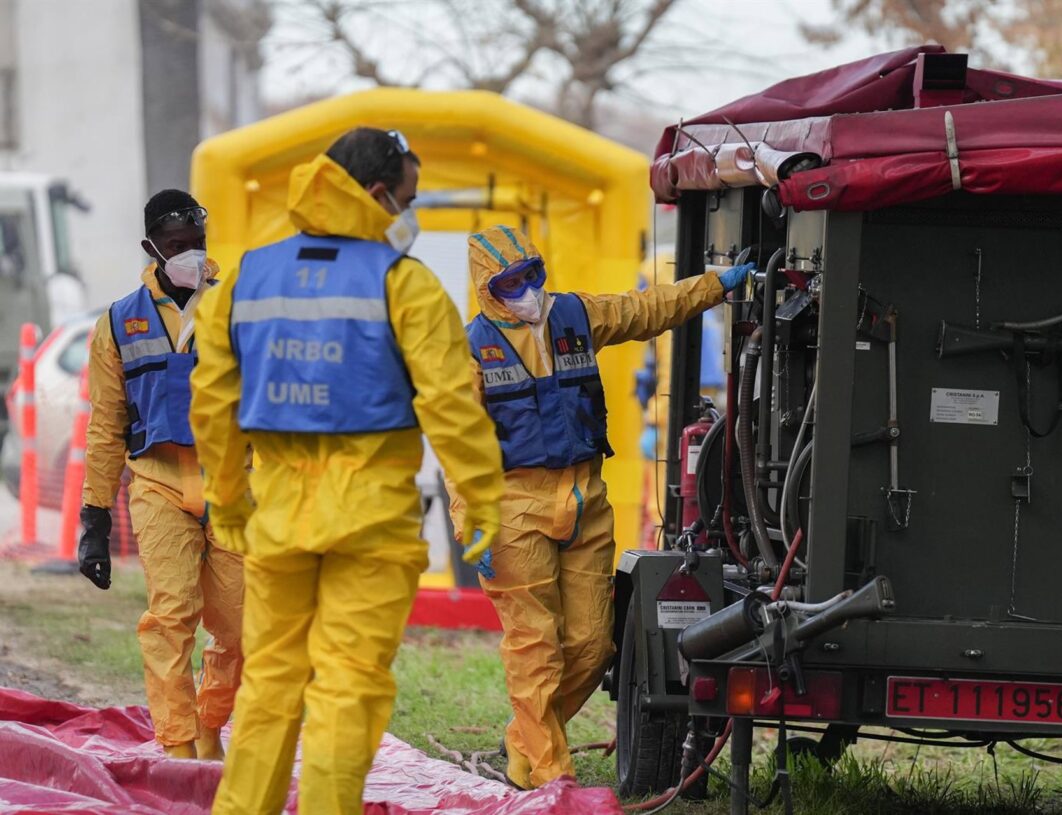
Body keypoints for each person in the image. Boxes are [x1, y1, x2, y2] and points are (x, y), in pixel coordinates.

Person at [192, 127, 505, 815]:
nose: (410, 214)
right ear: (375, 194)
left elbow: (212, 403)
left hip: (274, 516)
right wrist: (482, 501)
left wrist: (230, 501)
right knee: (347, 687)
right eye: (409, 199)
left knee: (269, 683)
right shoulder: (406, 285)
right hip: (372, 521)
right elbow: (452, 405)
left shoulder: (245, 276)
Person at [450, 224, 753, 789]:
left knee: (593, 644)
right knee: (534, 648)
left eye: (531, 275)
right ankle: (551, 781)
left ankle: (525, 742)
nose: (525, 290)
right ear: (487, 289)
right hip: (513, 507)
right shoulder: (469, 350)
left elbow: (648, 309)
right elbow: (457, 443)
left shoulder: (575, 315)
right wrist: (474, 522)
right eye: (509, 282)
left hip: (585, 499)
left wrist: (718, 285)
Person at [77, 189, 244, 760]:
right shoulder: (119, 323)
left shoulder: (235, 308)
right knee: (172, 616)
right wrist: (93, 520)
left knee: (242, 629)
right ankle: (177, 749)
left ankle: (208, 723)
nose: (192, 255)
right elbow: (105, 425)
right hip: (158, 483)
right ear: (152, 248)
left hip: (231, 484)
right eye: (178, 247)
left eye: (198, 243)